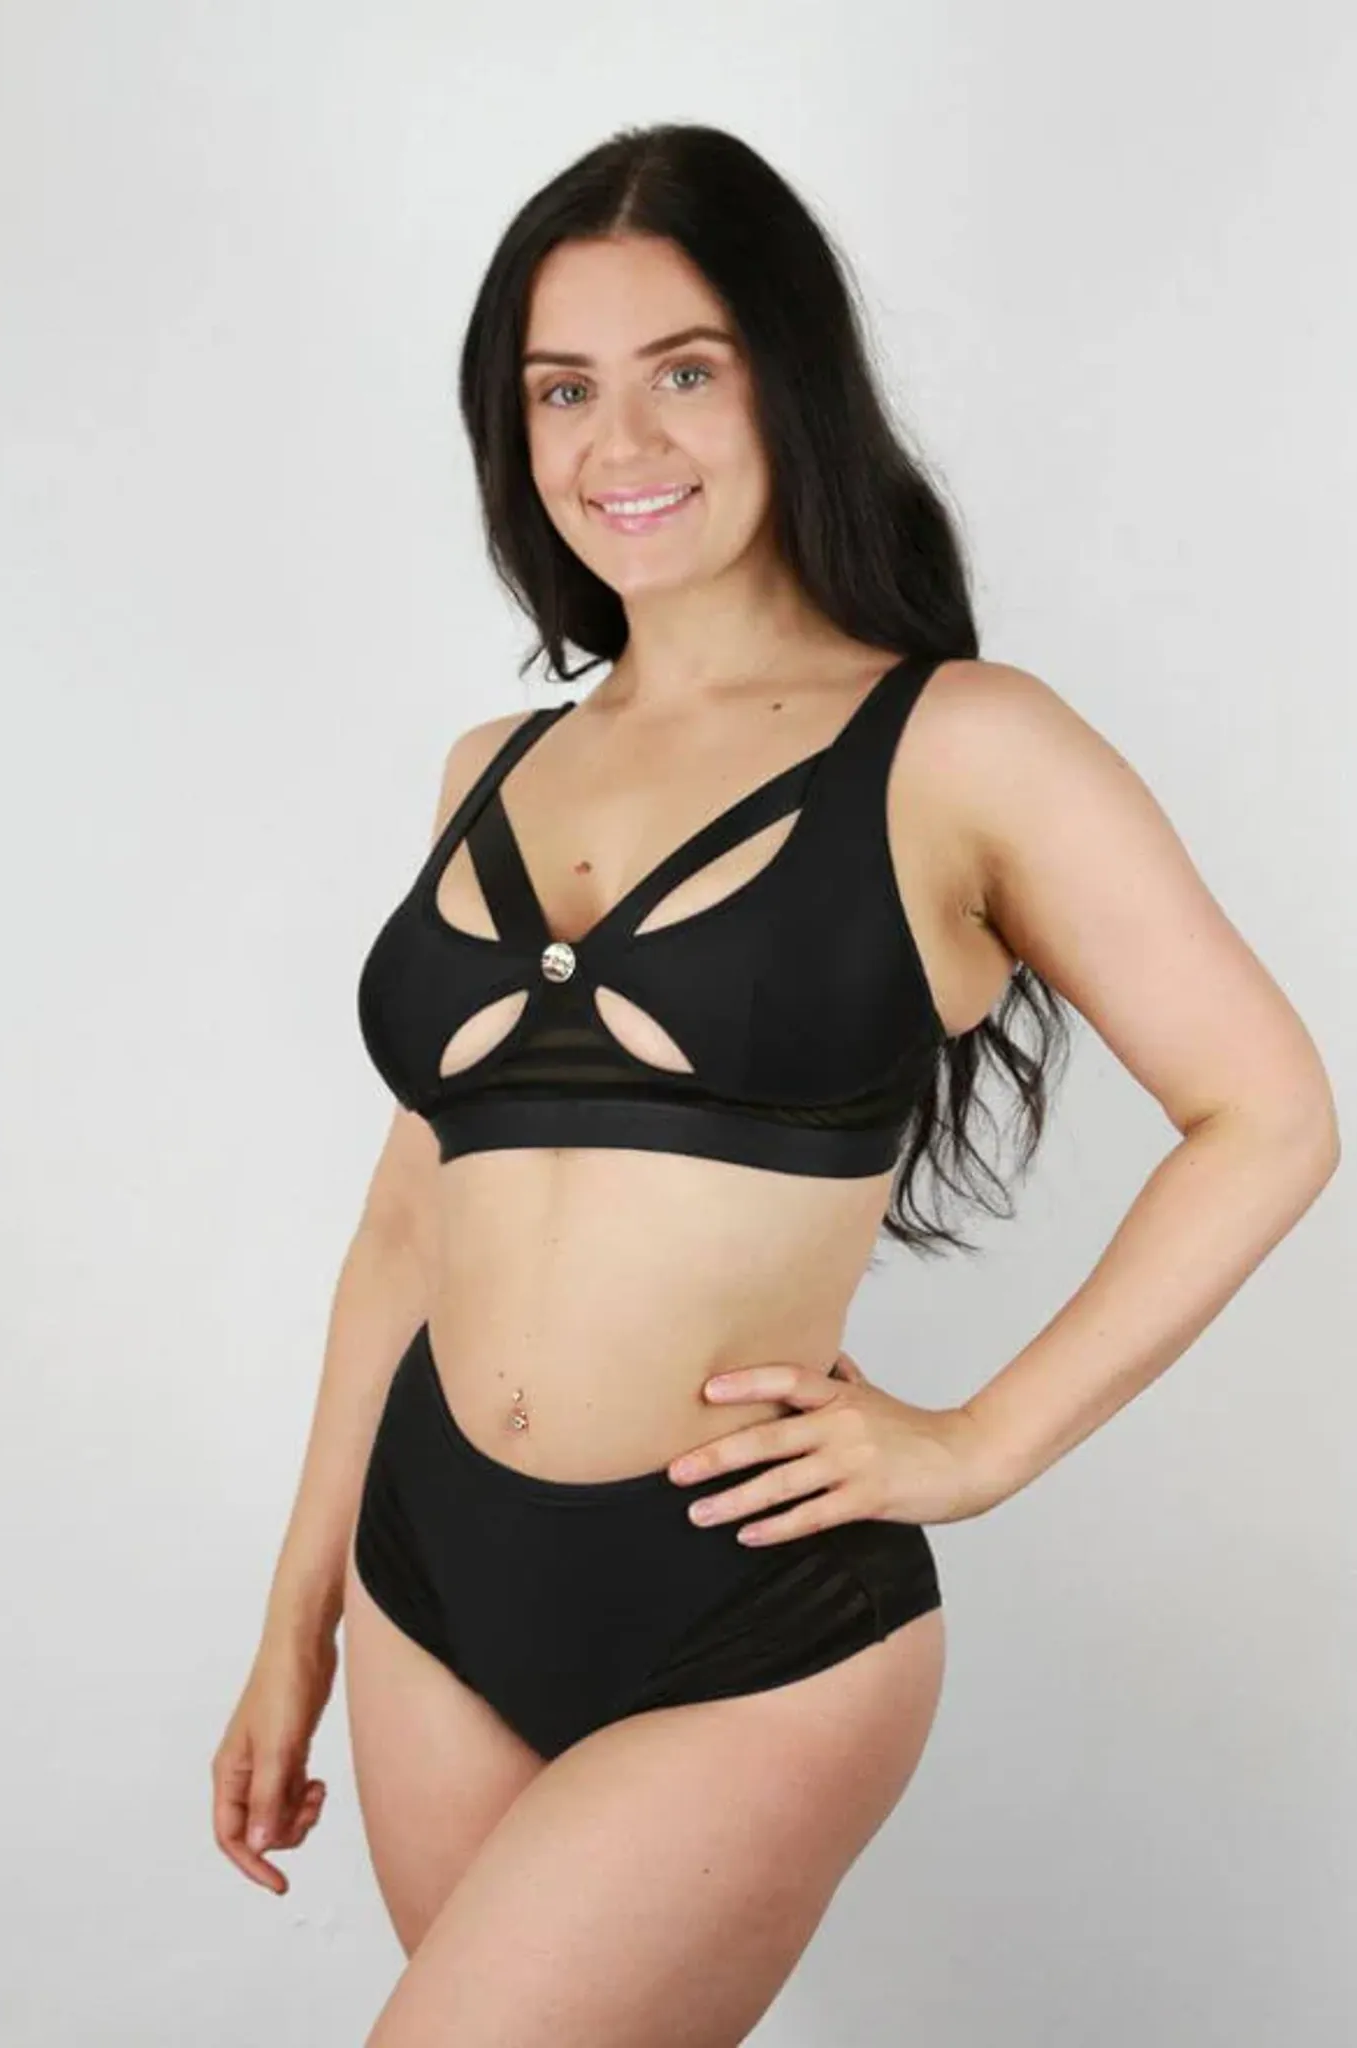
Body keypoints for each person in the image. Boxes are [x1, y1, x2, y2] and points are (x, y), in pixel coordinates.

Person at [211, 123, 1339, 2045]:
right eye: (564, 388)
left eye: (685, 370)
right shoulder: (492, 768)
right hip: (429, 1586)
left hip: (747, 1615)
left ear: (790, 379)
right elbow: (409, 1221)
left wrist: (978, 1445)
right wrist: (294, 1615)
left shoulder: (963, 744)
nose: (619, 442)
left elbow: (1272, 1115)